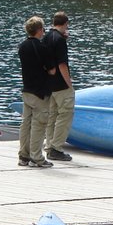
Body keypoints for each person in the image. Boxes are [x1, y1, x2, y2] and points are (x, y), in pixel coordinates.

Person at [17, 16, 56, 168]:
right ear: (39, 30)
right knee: (39, 125)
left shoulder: (22, 46)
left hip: (27, 90)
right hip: (40, 92)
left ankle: (23, 155)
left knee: (26, 124)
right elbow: (52, 70)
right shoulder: (42, 48)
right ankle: (36, 157)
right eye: (43, 29)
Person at [42, 11, 74, 161]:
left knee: (52, 116)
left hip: (49, 83)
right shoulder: (60, 40)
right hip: (61, 84)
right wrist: (69, 83)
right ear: (65, 24)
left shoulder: (46, 37)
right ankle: (57, 147)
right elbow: (62, 64)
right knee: (65, 114)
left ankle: (49, 145)